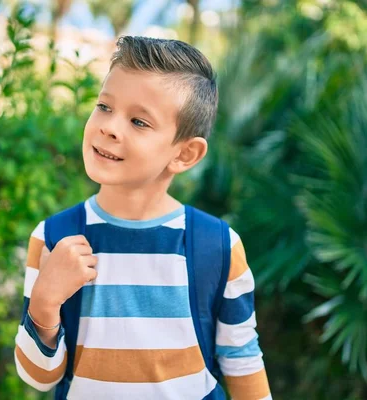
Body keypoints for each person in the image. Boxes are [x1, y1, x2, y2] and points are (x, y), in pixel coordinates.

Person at [14, 35, 271, 400]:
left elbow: (242, 362)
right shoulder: (54, 238)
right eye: (104, 106)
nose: (109, 127)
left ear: (184, 154)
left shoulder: (217, 246)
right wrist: (44, 304)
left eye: (138, 121)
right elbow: (39, 378)